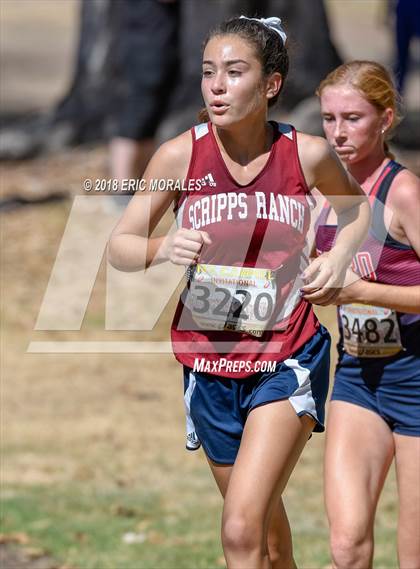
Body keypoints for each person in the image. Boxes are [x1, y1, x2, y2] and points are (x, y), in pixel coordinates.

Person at [107, 17, 370, 568]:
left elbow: (355, 209)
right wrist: (164, 247)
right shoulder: (181, 156)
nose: (217, 86)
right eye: (208, 74)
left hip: (286, 358)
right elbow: (121, 246)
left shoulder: (307, 155)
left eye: (233, 72)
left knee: (239, 529)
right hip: (209, 368)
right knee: (268, 542)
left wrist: (338, 258)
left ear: (270, 85)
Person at [312, 60, 420, 569]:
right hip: (356, 375)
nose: (338, 133)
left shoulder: (403, 193)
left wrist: (362, 290)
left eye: (352, 118)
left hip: (417, 377)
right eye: (329, 118)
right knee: (346, 546)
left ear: (386, 117)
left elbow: (359, 288)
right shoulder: (317, 193)